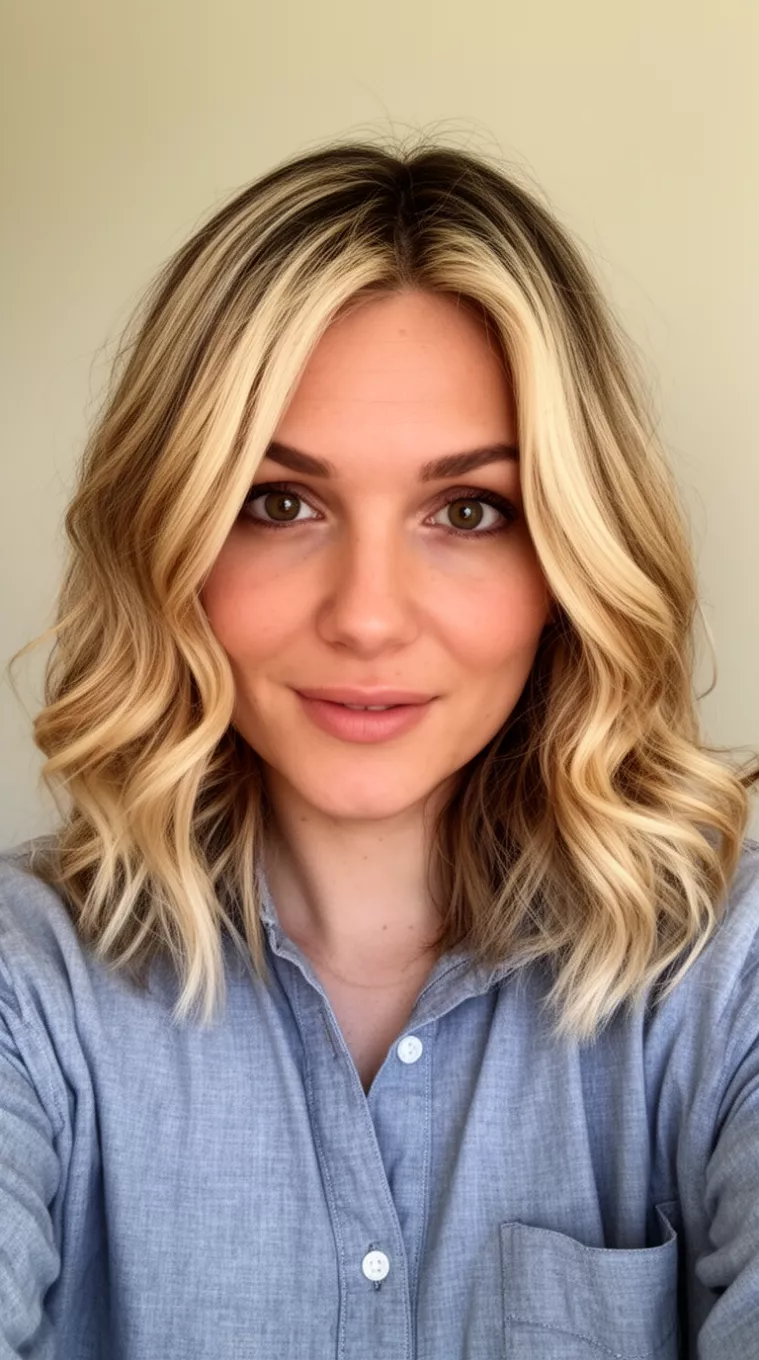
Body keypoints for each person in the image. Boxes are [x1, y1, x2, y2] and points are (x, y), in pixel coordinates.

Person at [1, 138, 758, 1360]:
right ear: (173, 538)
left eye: (468, 511)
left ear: (571, 560)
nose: (365, 613)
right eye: (277, 500)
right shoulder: (30, 992)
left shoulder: (726, 981)